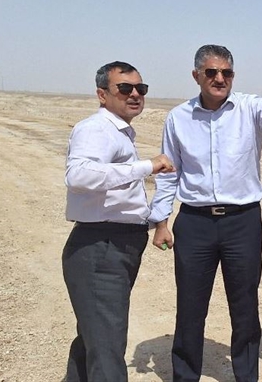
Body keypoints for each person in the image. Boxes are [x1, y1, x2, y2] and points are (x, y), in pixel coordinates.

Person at [149, 45, 262, 382]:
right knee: (190, 307)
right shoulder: (178, 118)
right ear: (196, 75)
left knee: (244, 307)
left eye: (226, 72)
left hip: (242, 223)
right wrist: (161, 221)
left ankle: (246, 376)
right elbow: (169, 173)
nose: (219, 78)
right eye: (211, 72)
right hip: (194, 222)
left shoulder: (249, 108)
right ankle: (185, 376)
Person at [63, 61, 175, 382]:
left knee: (95, 338)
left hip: (113, 245)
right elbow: (79, 175)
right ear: (102, 94)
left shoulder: (119, 132)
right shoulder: (96, 129)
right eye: (125, 88)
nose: (135, 94)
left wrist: (157, 222)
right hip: (101, 247)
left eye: (141, 88)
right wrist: (147, 166)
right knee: (106, 345)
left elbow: (120, 196)